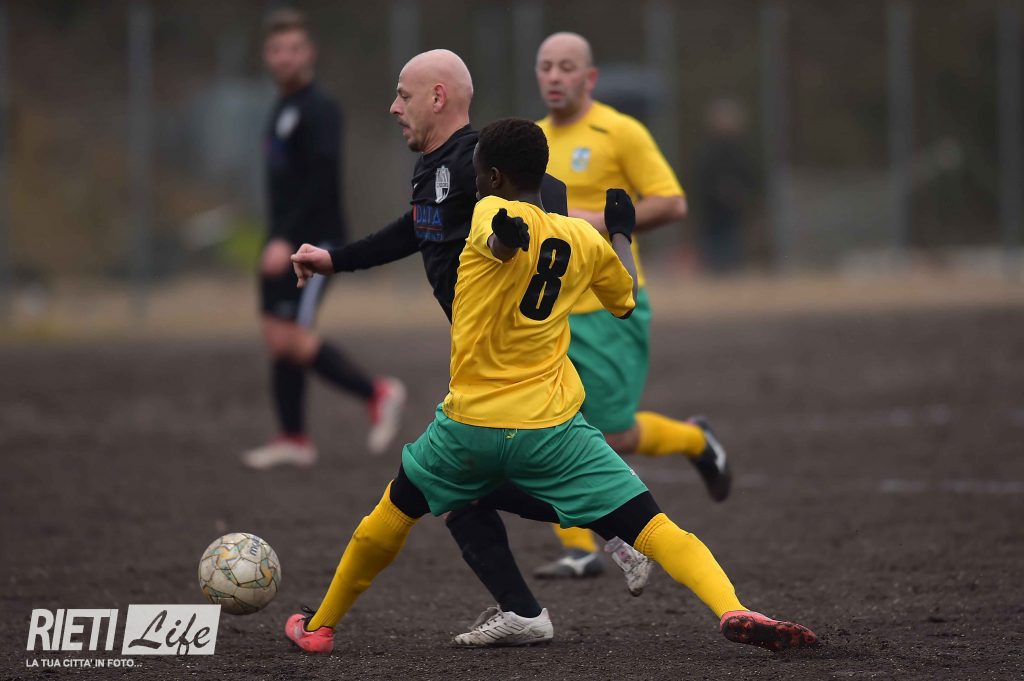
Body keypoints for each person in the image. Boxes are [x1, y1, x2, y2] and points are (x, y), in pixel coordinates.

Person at [283, 118, 817, 655]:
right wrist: (621, 232)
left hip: (467, 428)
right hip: (552, 430)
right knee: (655, 527)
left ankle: (321, 626)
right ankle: (732, 607)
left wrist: (506, 236)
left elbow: (497, 240)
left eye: (478, 174)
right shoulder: (582, 239)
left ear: (492, 176)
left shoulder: (488, 210)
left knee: (391, 515)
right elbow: (625, 299)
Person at [532, 32, 730, 579]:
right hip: (550, 308)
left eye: (566, 66)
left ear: (589, 77)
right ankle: (580, 549)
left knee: (612, 435)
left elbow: (672, 203)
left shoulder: (620, 131)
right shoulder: (534, 140)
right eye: (545, 66)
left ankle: (696, 439)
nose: (554, 76)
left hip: (607, 305)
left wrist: (590, 222)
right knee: (541, 424)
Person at [242, 9, 405, 470]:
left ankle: (377, 393)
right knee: (278, 337)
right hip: (282, 238)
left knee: (292, 336)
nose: (285, 57)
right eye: (277, 49)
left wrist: (286, 239)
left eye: (294, 49)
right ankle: (293, 437)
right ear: (266, 55)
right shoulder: (282, 107)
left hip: (313, 242)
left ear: (310, 53)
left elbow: (320, 180)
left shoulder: (320, 108)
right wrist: (275, 235)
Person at [693, 98, 755, 275]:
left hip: (734, 213)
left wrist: (739, 193)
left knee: (733, 251)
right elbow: (701, 181)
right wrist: (718, 192)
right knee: (714, 254)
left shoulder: (740, 152)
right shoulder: (708, 152)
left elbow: (749, 178)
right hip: (712, 213)